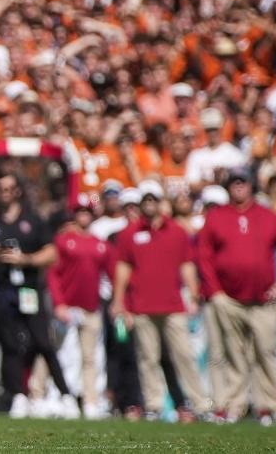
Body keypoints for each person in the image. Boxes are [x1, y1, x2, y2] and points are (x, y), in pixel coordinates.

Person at [198, 168, 276, 426]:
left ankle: (274, 405)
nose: (239, 187)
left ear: (251, 186)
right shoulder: (217, 217)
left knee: (266, 352)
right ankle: (232, 405)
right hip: (228, 299)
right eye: (234, 183)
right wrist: (215, 292)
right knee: (232, 354)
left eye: (243, 182)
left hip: (262, 299)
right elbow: (204, 256)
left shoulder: (267, 217)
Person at [0, 175, 76, 419]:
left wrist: (25, 259)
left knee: (42, 341)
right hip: (3, 291)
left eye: (10, 188)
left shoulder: (32, 221)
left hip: (29, 290)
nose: (6, 192)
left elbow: (51, 254)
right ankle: (17, 394)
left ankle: (65, 394)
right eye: (1, 188)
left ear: (18, 191)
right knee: (10, 345)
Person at [111, 180, 209, 422]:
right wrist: (119, 301)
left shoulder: (176, 231)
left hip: (173, 304)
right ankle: (153, 404)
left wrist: (194, 293)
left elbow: (186, 264)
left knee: (184, 354)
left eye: (153, 199)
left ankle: (199, 404)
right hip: (142, 305)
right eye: (146, 200)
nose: (150, 204)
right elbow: (123, 268)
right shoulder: (130, 234)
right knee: (148, 358)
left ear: (160, 202)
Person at [49, 194, 111, 419]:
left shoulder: (101, 245)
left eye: (87, 212)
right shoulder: (63, 240)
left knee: (90, 358)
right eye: (79, 212)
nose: (83, 216)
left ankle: (91, 400)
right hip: (67, 307)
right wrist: (59, 303)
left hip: (91, 308)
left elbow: (109, 275)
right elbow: (54, 274)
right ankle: (60, 397)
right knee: (62, 355)